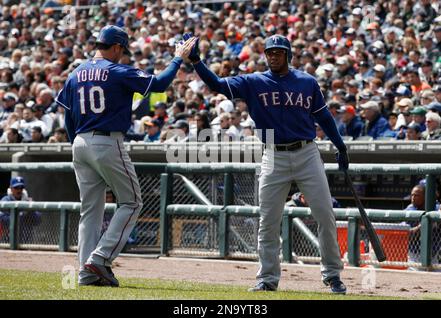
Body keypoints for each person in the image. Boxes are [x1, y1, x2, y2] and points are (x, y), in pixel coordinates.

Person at [186, 34, 348, 294]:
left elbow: (325, 117)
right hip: (272, 153)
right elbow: (216, 84)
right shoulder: (253, 81)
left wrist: (340, 145)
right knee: (268, 221)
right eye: (270, 52)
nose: (273, 56)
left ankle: (332, 275)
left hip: (307, 152)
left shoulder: (307, 82)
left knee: (325, 215)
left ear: (288, 55)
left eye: (279, 52)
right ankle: (267, 279)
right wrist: (196, 61)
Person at [55, 25, 197, 287]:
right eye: (123, 50)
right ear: (118, 47)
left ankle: (86, 273)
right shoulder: (117, 71)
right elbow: (161, 83)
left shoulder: (76, 72)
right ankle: (99, 258)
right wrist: (178, 58)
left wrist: (76, 142)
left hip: (79, 142)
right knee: (132, 202)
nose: (123, 55)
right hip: (107, 141)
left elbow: (66, 116)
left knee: (90, 212)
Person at [0, 177, 41, 244]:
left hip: (26, 243)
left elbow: (38, 221)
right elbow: (2, 220)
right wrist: (22, 214)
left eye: (21, 187)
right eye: (16, 188)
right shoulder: (5, 201)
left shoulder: (27, 201)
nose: (19, 190)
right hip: (7, 242)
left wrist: (31, 210)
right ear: (11, 188)